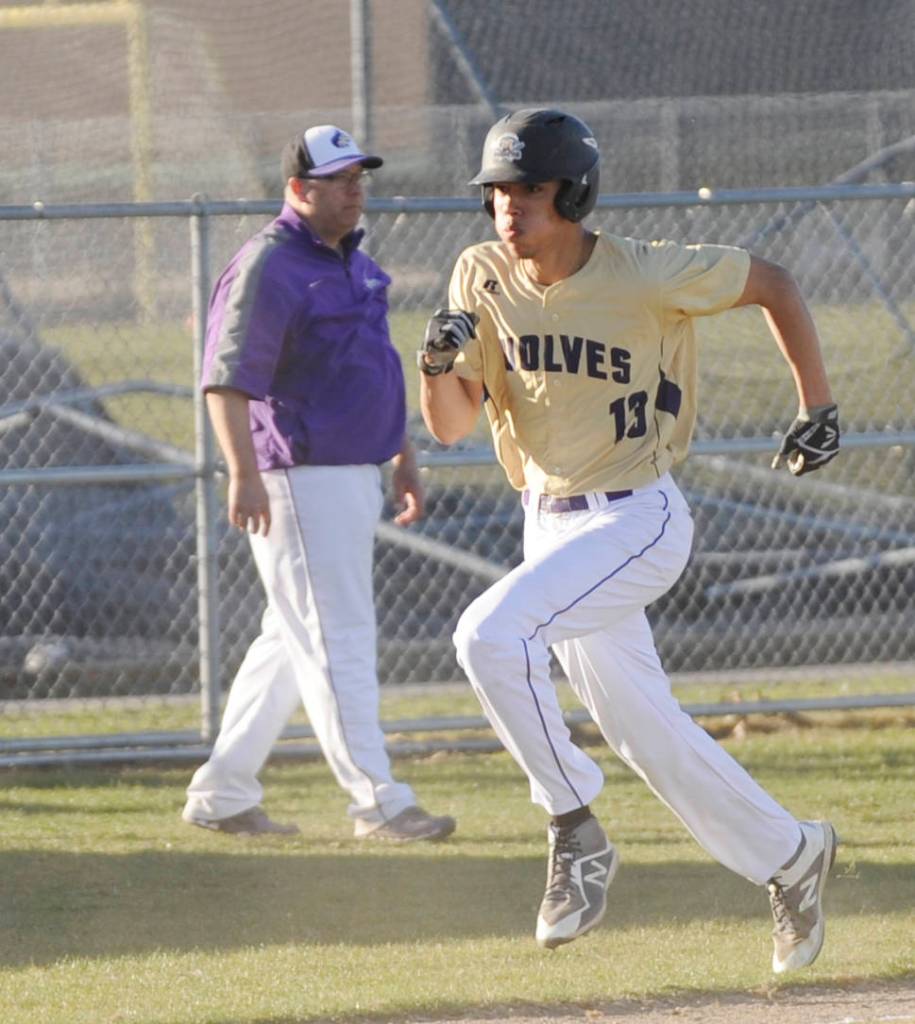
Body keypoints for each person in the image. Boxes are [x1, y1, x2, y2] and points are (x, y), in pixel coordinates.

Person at [418, 108, 840, 969]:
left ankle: (574, 826)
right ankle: (791, 854)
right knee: (645, 730)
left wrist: (817, 406)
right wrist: (430, 365)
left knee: (487, 636)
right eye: (498, 190)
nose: (508, 206)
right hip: (548, 525)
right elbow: (452, 426)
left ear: (572, 190)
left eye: (528, 188)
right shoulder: (479, 274)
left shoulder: (643, 272)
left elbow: (775, 283)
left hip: (636, 516)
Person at [182, 124, 455, 843]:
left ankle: (222, 792)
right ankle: (379, 801)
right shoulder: (270, 265)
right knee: (336, 638)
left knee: (291, 641)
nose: (354, 189)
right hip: (298, 477)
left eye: (358, 176)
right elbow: (226, 379)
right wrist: (242, 473)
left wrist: (401, 456)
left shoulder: (351, 261)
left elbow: (376, 367)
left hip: (351, 471)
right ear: (298, 190)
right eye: (338, 179)